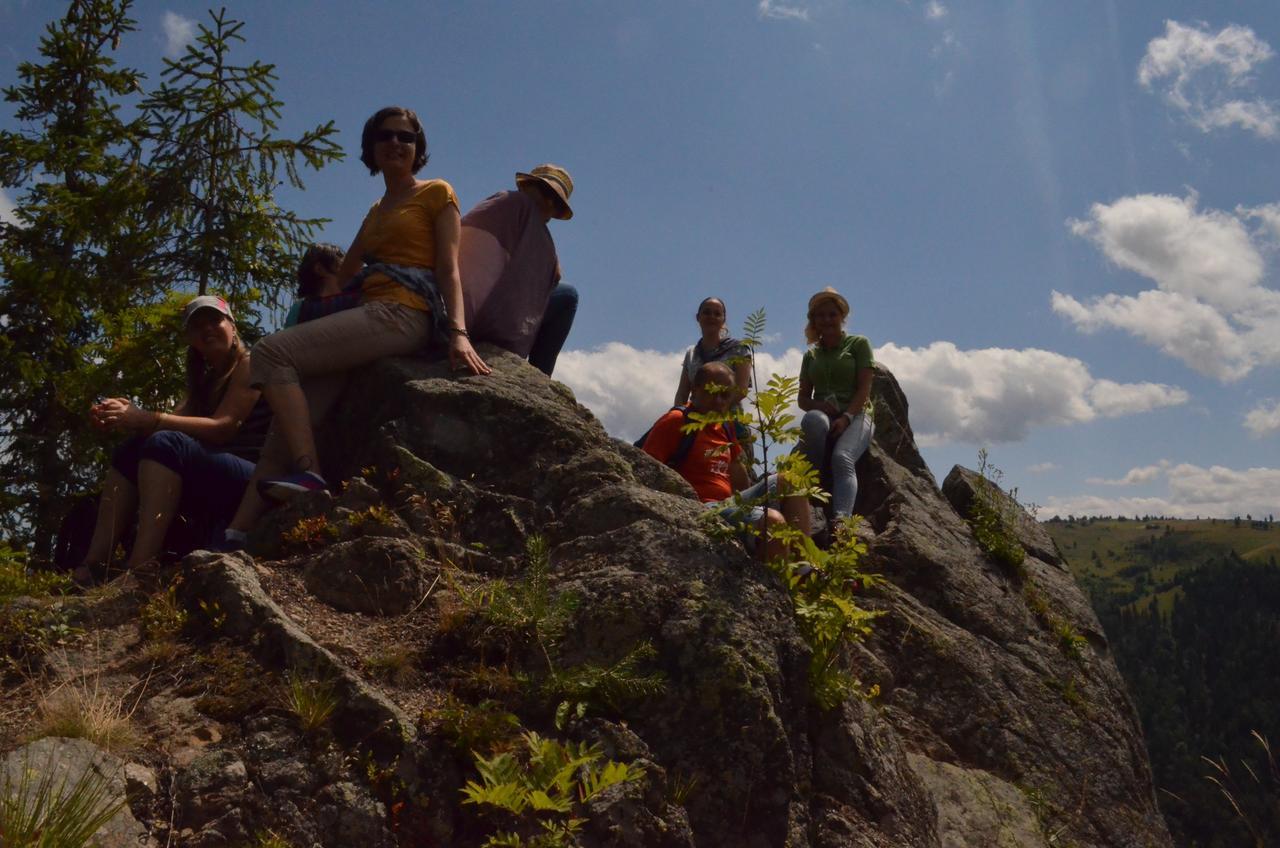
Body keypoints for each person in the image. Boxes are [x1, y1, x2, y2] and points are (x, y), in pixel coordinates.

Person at [222, 105, 489, 547]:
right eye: (385, 136)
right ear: (371, 147)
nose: (396, 144)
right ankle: (234, 536)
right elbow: (344, 274)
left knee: (269, 352)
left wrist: (458, 334)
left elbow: (448, 269)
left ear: (418, 147)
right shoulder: (378, 209)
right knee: (285, 429)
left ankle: (310, 473)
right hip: (370, 315)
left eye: (406, 137)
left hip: (403, 313)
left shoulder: (436, 193)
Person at [72, 295, 269, 585]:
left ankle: (140, 568)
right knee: (132, 450)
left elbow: (223, 428)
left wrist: (147, 418)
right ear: (191, 339)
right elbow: (170, 426)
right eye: (198, 326)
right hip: (217, 472)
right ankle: (94, 564)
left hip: (253, 478)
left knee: (165, 444)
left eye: (215, 320)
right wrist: (123, 415)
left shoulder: (251, 363)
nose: (208, 329)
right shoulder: (203, 380)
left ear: (232, 326)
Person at [643, 362, 809, 560]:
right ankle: (778, 587)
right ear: (695, 390)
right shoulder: (676, 421)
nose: (720, 401)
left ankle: (804, 567)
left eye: (726, 395)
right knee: (772, 521)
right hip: (698, 509)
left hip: (727, 503)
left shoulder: (726, 426)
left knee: (790, 479)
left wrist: (749, 505)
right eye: (714, 393)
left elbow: (738, 475)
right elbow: (647, 469)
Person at [459, 164, 577, 376]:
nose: (549, 208)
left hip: (466, 311)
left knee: (566, 294)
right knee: (568, 296)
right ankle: (540, 376)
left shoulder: (510, 206)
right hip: (488, 320)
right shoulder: (517, 207)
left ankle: (538, 378)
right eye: (549, 198)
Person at [797, 287, 875, 520]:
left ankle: (841, 520)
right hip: (824, 416)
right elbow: (802, 400)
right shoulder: (811, 355)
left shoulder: (858, 344)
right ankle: (813, 486)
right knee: (812, 419)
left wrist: (846, 418)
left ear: (842, 317)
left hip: (857, 414)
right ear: (814, 321)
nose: (827, 320)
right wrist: (819, 406)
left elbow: (864, 388)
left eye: (832, 314)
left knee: (842, 459)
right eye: (820, 316)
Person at [672, 297, 751, 408]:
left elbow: (742, 390)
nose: (711, 317)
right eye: (707, 312)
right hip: (694, 421)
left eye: (717, 314)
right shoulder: (691, 353)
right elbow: (682, 393)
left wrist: (714, 410)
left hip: (728, 421)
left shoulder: (739, 349)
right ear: (698, 317)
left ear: (723, 319)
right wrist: (678, 416)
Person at [283, 243, 351, 328]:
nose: (348, 275)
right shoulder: (301, 309)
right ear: (320, 269)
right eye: (340, 268)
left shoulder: (352, 299)